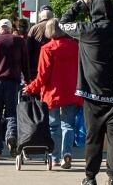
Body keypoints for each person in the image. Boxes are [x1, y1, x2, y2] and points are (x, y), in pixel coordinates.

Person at [60, 0, 113, 185]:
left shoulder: (87, 30)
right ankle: (112, 177)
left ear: (93, 10)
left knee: (93, 138)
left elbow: (63, 23)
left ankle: (90, 177)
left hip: (93, 96)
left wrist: (80, 3)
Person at [23, 18, 83, 169]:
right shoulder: (75, 47)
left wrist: (30, 88)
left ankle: (55, 157)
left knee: (54, 126)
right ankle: (67, 154)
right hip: (72, 92)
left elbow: (42, 76)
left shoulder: (47, 49)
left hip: (53, 94)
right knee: (68, 125)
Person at [0, 18, 30, 160]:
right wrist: (28, 80)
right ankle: (11, 135)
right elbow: (25, 62)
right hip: (12, 82)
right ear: (9, 28)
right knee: (12, 112)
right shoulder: (19, 41)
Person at [27, 7, 54, 79]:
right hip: (54, 64)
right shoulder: (58, 27)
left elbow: (28, 49)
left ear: (40, 17)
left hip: (37, 63)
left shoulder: (34, 28)